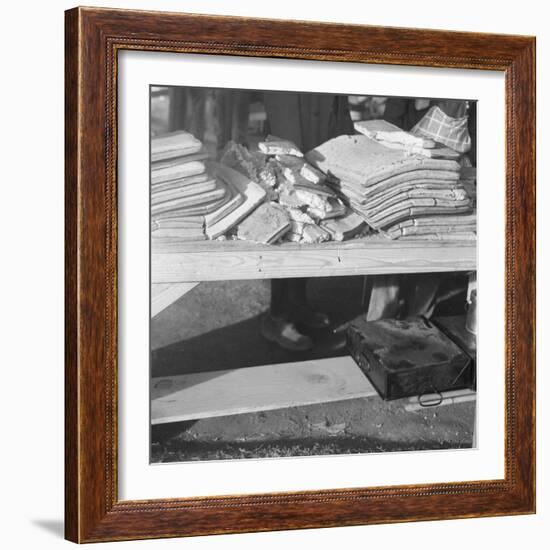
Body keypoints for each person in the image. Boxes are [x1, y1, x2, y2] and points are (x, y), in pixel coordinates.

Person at [260, 92, 354, 351]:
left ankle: (298, 303)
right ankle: (278, 317)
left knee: (315, 221)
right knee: (292, 221)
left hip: (322, 114)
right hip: (290, 112)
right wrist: (292, 156)